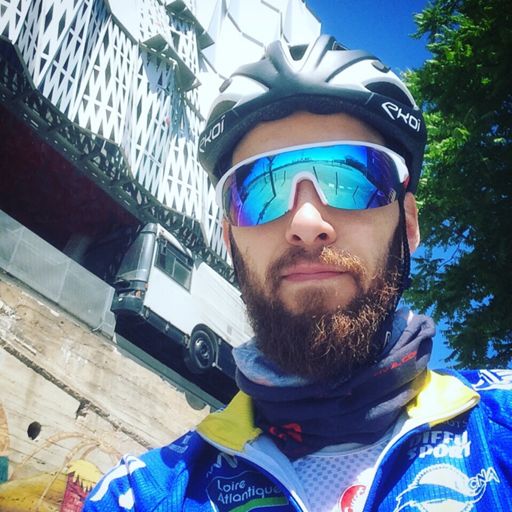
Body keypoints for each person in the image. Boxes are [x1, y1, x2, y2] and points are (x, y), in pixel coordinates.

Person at [84, 35, 512, 512]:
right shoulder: (142, 496)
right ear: (229, 240)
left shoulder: (503, 428)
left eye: (355, 179)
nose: (307, 223)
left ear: (408, 225)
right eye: (257, 189)